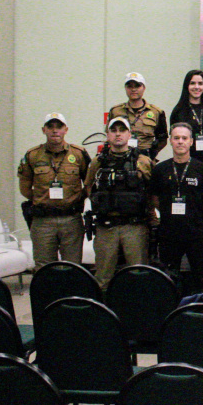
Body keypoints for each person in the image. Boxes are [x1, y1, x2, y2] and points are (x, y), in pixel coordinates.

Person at [84, 117, 154, 290]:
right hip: (106, 228)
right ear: (107, 135)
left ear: (129, 134)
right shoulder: (97, 162)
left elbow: (152, 191)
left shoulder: (143, 161)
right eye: (113, 130)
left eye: (122, 130)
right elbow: (88, 187)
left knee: (138, 276)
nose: (117, 134)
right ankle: (104, 314)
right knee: (103, 278)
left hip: (135, 228)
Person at [149, 123, 203, 292]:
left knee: (201, 277)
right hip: (169, 232)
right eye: (176, 138)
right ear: (171, 141)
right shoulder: (160, 169)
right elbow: (154, 198)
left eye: (184, 138)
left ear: (191, 142)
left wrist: (195, 213)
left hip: (196, 232)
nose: (180, 142)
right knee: (168, 279)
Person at [18, 112, 91, 268]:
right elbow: (25, 188)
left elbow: (89, 183)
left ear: (66, 129)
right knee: (44, 266)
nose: (55, 131)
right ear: (43, 130)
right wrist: (43, 199)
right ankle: (46, 293)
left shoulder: (78, 154)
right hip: (43, 221)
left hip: (71, 219)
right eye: (50, 127)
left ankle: (71, 293)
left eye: (59, 127)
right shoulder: (32, 155)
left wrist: (77, 198)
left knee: (73, 266)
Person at [108, 72, 167, 161]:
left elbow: (163, 138)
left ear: (144, 88)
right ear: (125, 88)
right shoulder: (115, 111)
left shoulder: (156, 112)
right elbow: (109, 134)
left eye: (137, 86)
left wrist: (152, 153)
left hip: (145, 159)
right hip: (120, 158)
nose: (133, 89)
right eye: (130, 86)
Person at [169, 69, 203, 167]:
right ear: (187, 86)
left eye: (200, 83)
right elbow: (174, 138)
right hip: (187, 162)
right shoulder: (179, 111)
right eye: (192, 83)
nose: (197, 87)